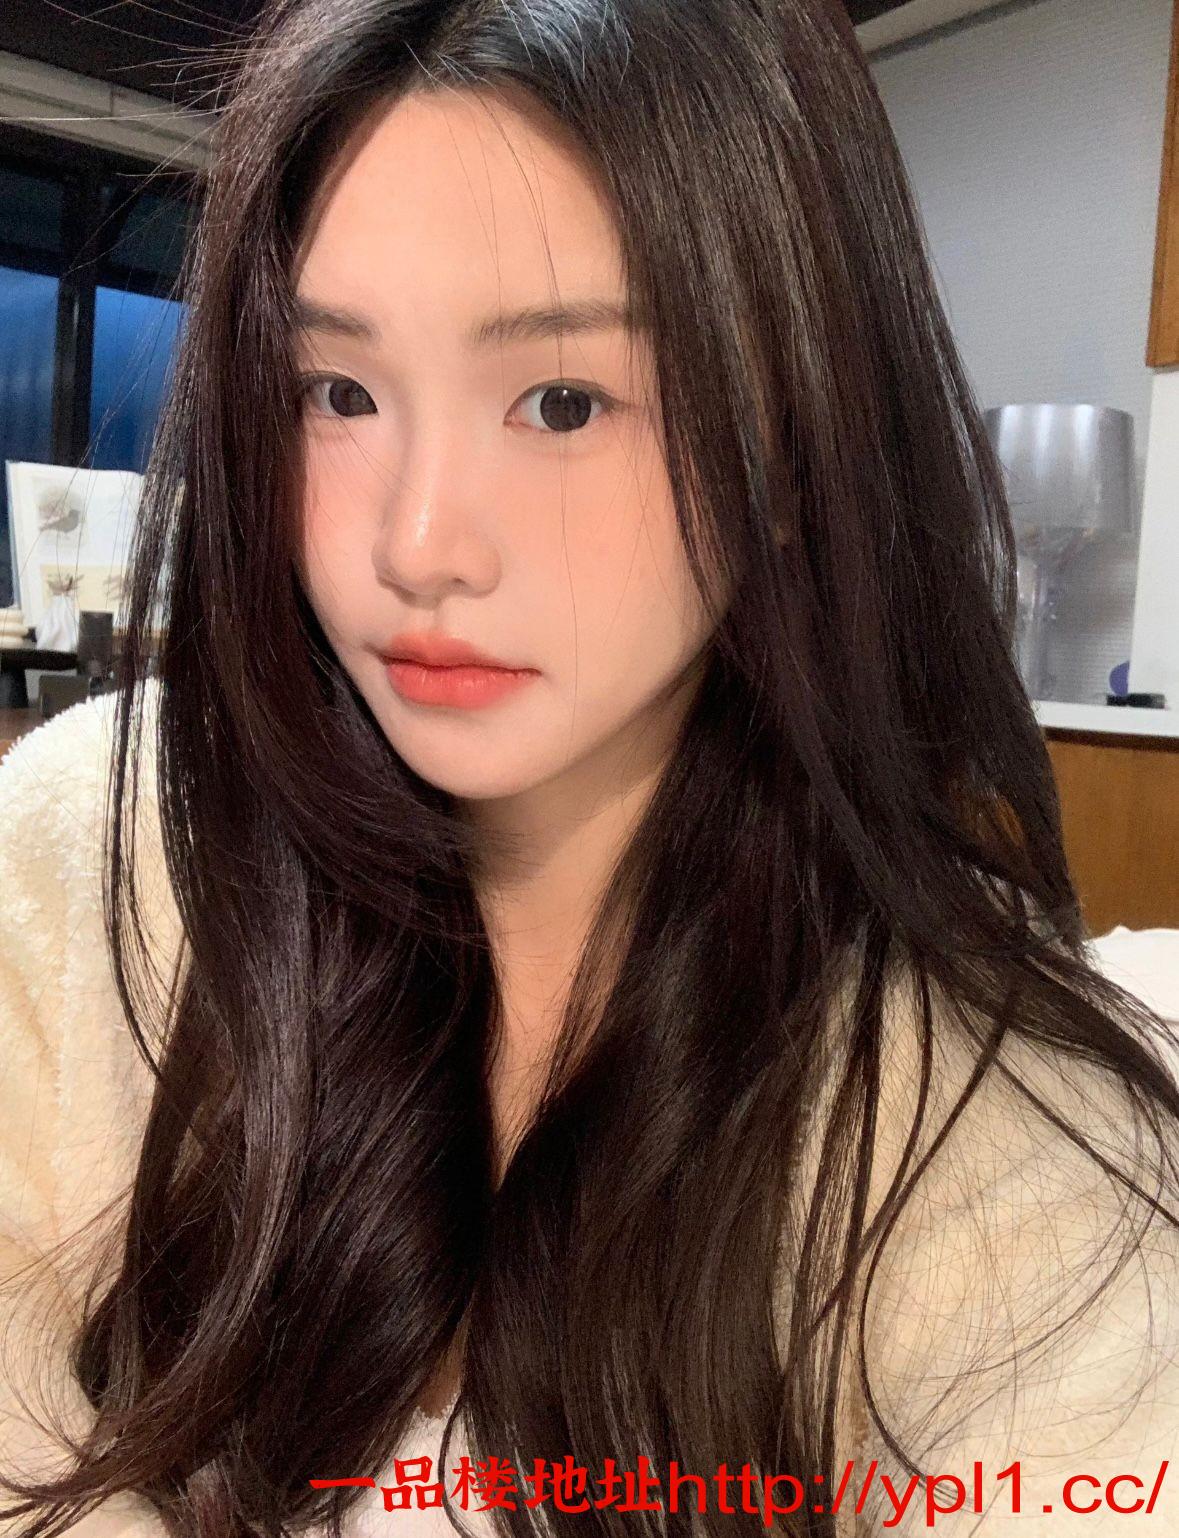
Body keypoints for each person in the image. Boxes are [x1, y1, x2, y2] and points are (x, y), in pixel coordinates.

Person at [1, 0, 1178, 1533]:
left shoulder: (996, 1157)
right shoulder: (100, 851)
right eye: (338, 394)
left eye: (563, 401)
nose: (418, 543)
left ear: (794, 440)